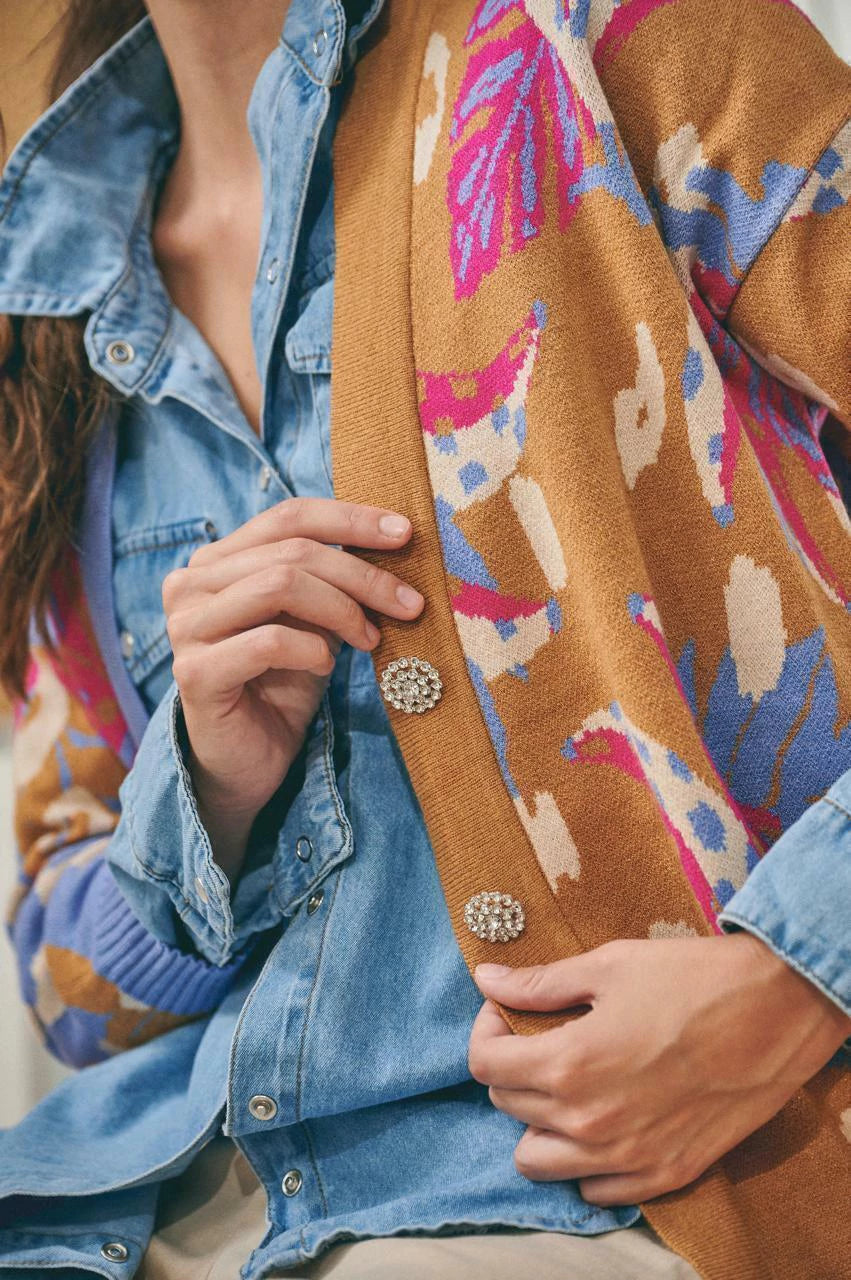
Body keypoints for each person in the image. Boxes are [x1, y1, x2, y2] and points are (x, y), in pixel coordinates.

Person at [0, 0, 849, 1276]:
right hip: (156, 1194)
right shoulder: (45, 294)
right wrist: (211, 796)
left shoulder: (618, 43)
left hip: (643, 1197)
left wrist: (800, 971)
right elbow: (69, 990)